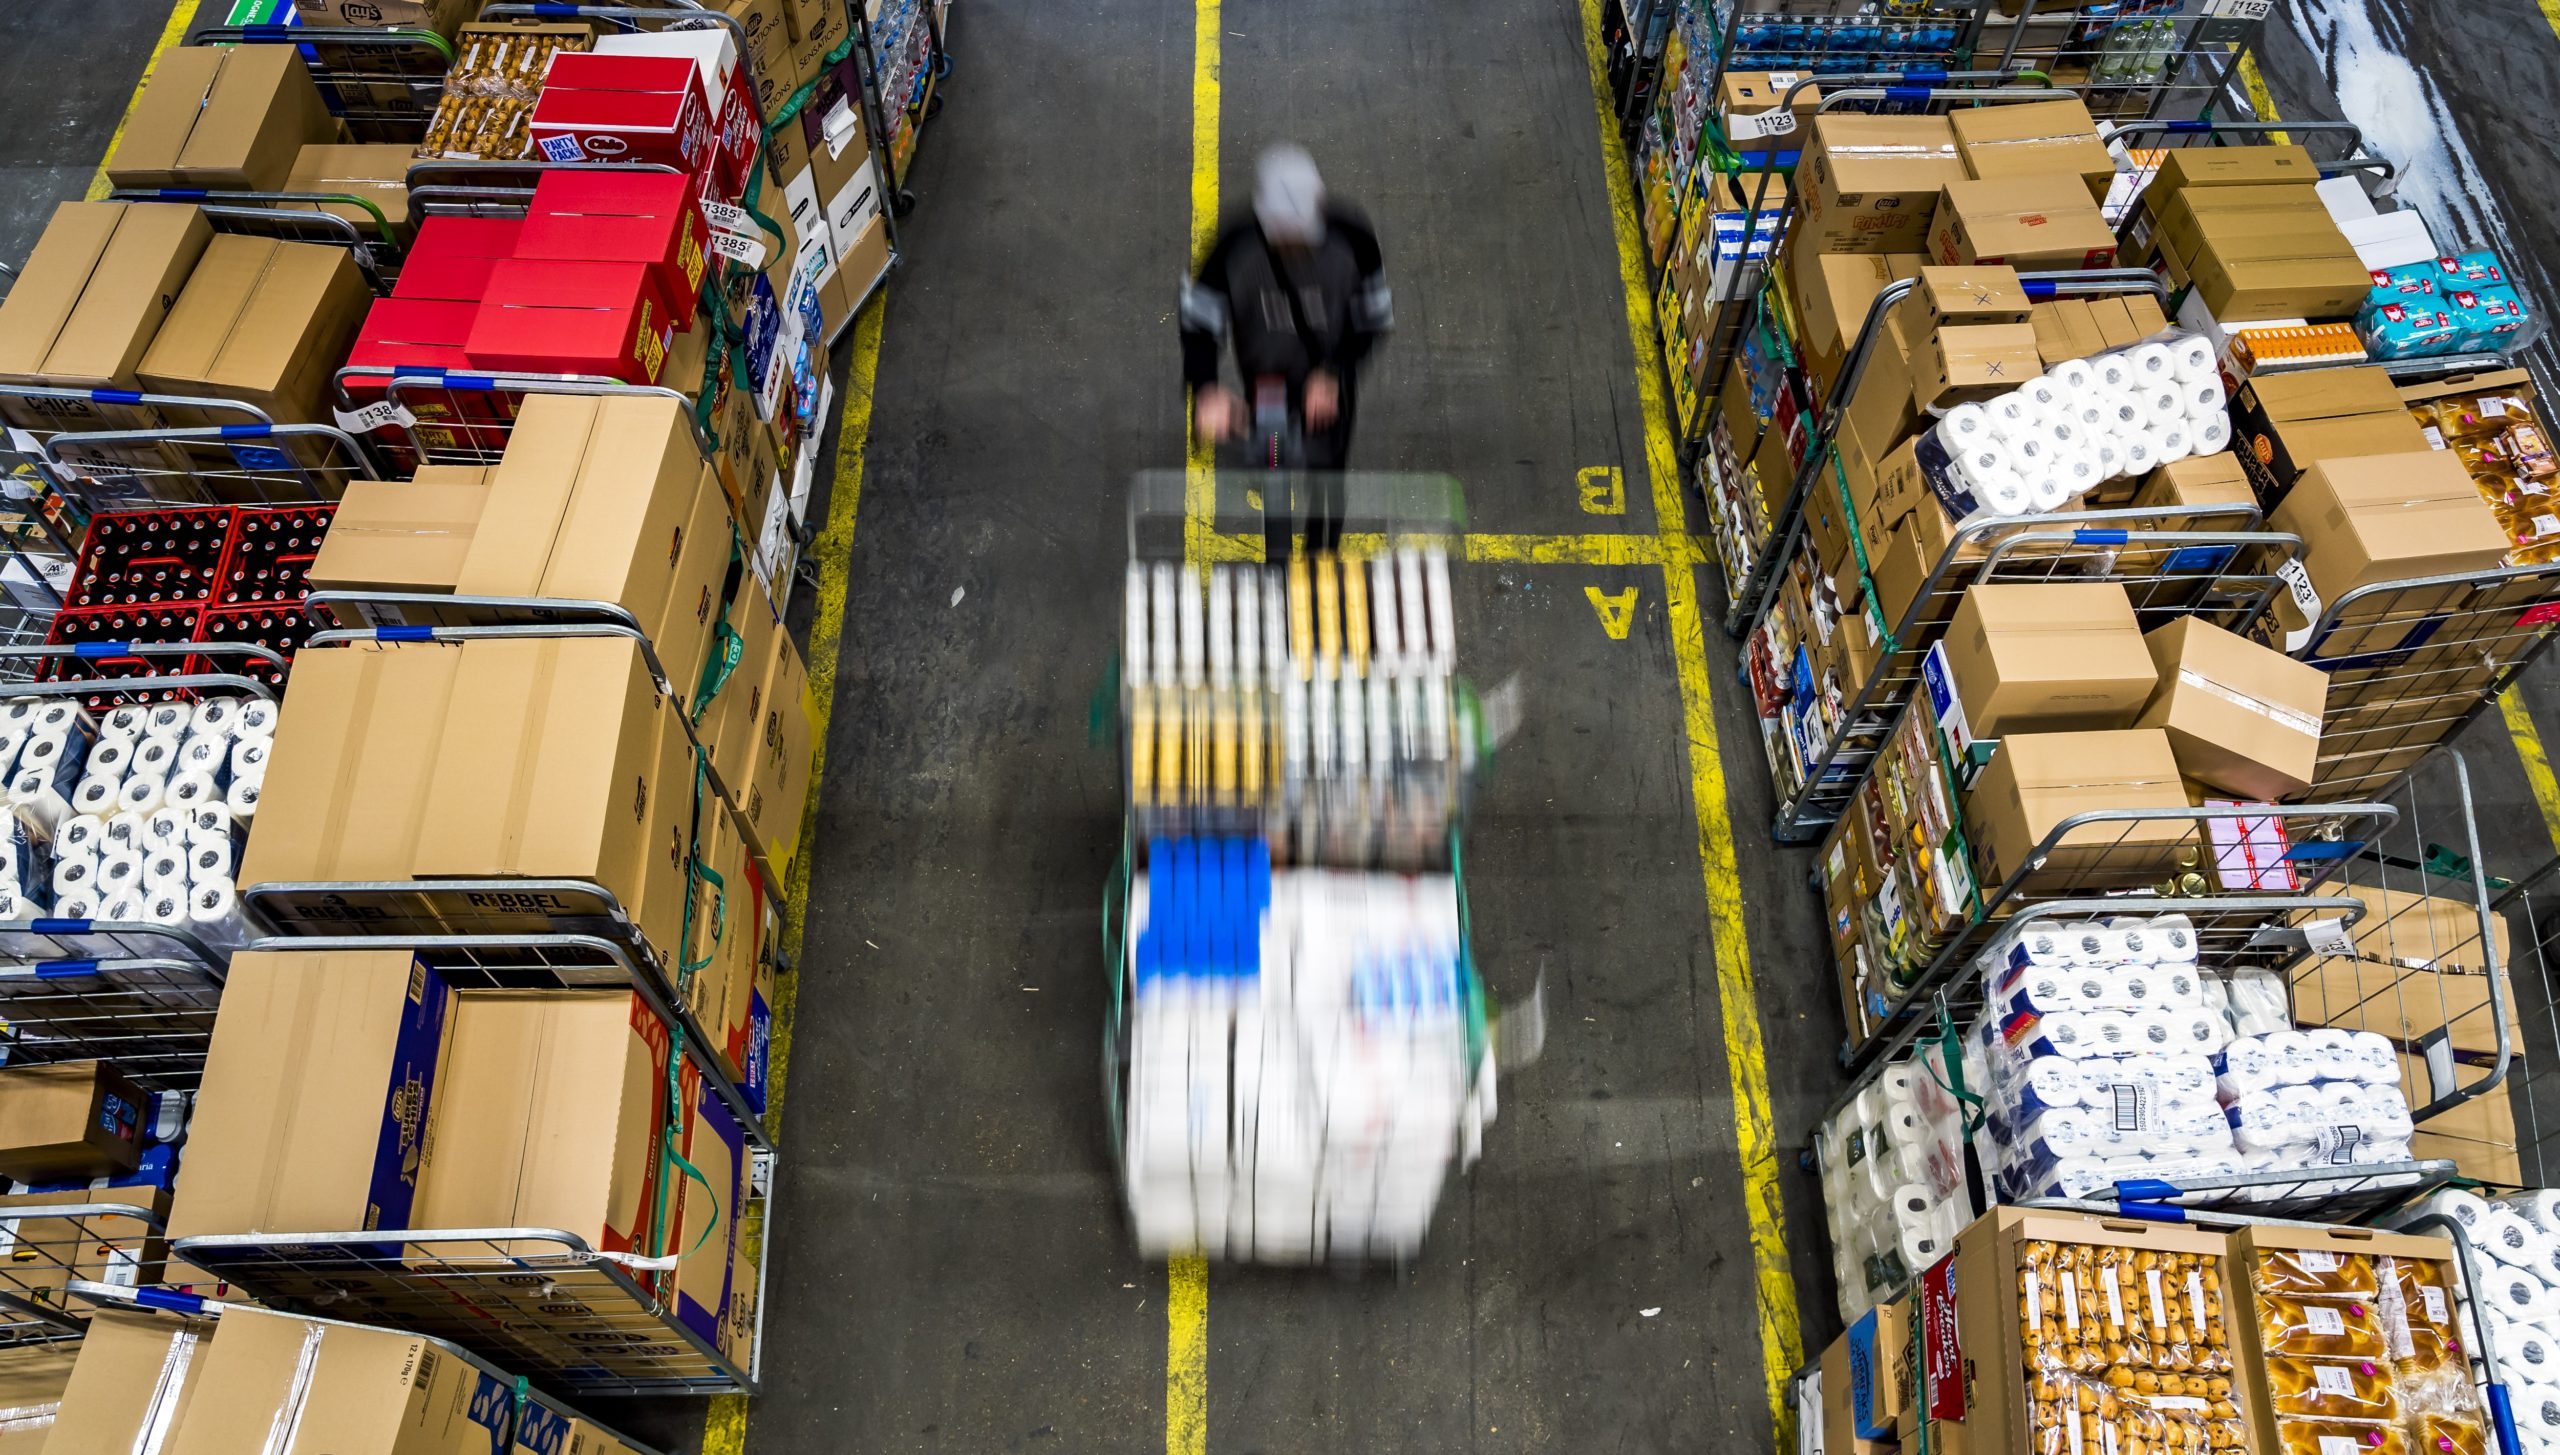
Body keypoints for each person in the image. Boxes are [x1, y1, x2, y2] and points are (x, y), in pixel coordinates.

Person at [1180, 145, 1392, 558]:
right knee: (1273, 458)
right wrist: (1206, 388)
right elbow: (1197, 321)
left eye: (1302, 240)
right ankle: (1276, 534)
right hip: (1266, 376)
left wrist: (1333, 373)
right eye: (1284, 241)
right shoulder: (1233, 247)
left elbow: (1372, 319)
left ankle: (1320, 558)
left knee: (1328, 480)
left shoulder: (1354, 237)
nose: (1295, 250)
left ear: (1320, 204)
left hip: (1327, 383)